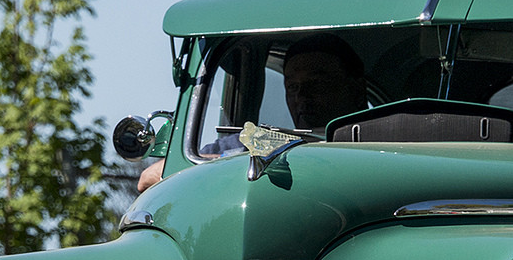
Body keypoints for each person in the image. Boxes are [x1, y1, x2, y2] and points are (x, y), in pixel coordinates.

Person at [136, 33, 369, 193]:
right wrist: (231, 161)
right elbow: (149, 178)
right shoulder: (256, 140)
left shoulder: (378, 143)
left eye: (316, 83)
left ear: (356, 90)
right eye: (292, 87)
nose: (301, 96)